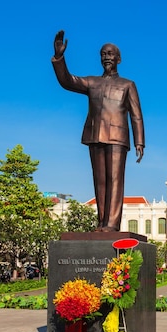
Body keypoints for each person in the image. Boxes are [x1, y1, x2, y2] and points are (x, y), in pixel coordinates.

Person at [51, 30, 145, 232]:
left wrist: (140, 141)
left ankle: (112, 223)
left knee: (115, 181)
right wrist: (59, 58)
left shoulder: (127, 84)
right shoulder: (91, 82)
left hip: (118, 138)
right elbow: (67, 81)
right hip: (95, 136)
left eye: (110, 54)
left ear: (118, 58)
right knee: (100, 181)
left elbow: (136, 115)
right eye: (103, 54)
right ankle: (102, 222)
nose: (106, 57)